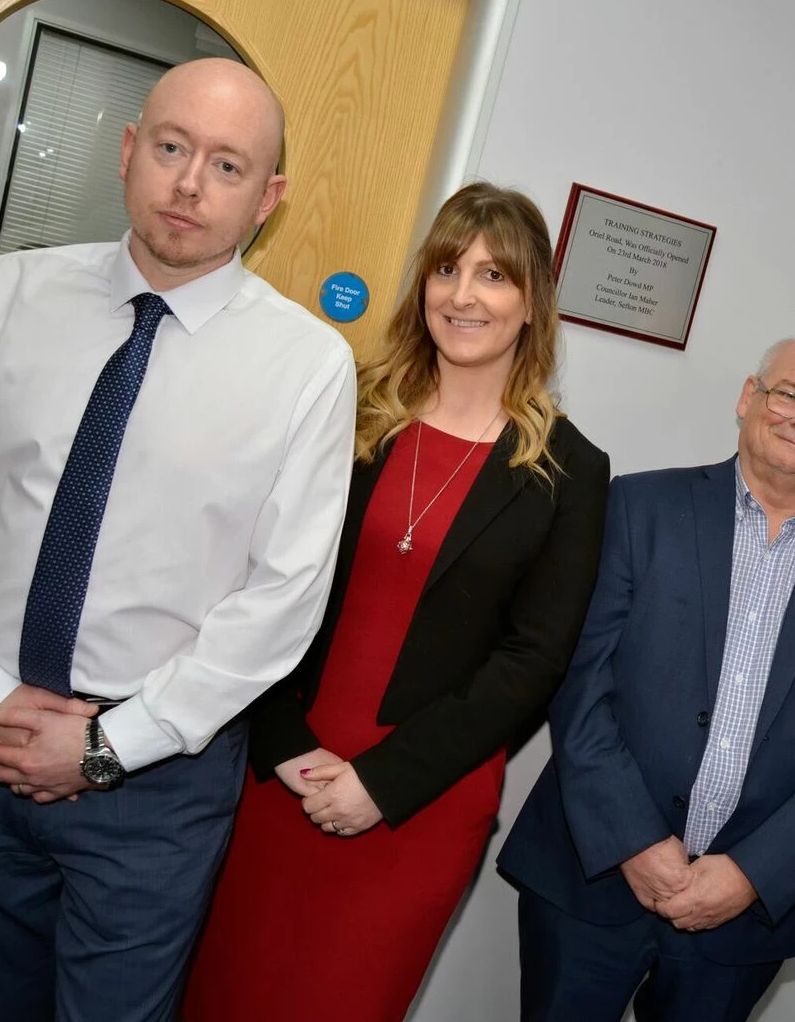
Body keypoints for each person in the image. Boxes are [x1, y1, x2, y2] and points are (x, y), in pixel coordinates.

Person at [0, 58, 355, 1021]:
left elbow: (281, 600)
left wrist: (104, 747)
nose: (188, 184)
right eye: (173, 147)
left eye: (227, 166)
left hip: (155, 783)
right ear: (129, 151)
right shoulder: (8, 294)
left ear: (269, 199)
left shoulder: (308, 366)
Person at [183, 181, 610, 1021]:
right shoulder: (348, 405)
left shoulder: (570, 471)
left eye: (494, 275)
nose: (463, 294)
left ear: (532, 304)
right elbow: (256, 570)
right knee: (221, 991)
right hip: (279, 771)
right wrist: (285, 745)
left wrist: (380, 782)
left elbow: (535, 659)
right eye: (447, 268)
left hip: (419, 803)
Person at [499, 337, 795, 1022]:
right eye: (789, 394)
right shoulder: (637, 507)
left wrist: (752, 873)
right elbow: (580, 684)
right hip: (593, 874)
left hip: (746, 917)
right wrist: (634, 838)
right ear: (749, 398)